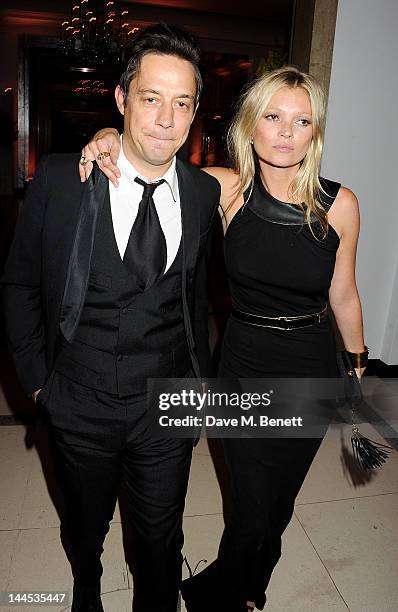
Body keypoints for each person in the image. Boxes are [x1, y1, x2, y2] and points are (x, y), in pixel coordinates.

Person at [78, 66, 367, 611]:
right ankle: (228, 594)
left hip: (311, 360)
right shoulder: (226, 189)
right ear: (250, 126)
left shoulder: (340, 204)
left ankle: (249, 583)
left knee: (280, 499)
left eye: (301, 121)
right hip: (243, 358)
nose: (285, 132)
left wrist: (356, 361)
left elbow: (345, 293)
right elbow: (152, 163)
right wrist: (111, 135)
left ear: (315, 132)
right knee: (253, 500)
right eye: (273, 117)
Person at [1, 24, 220, 612]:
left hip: (168, 400)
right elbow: (19, 283)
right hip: (77, 395)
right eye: (151, 98)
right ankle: (87, 584)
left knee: (159, 538)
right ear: (121, 101)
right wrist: (38, 382)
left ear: (196, 111)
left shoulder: (203, 194)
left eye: (182, 103)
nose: (166, 120)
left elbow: (200, 296)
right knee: (85, 523)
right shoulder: (60, 180)